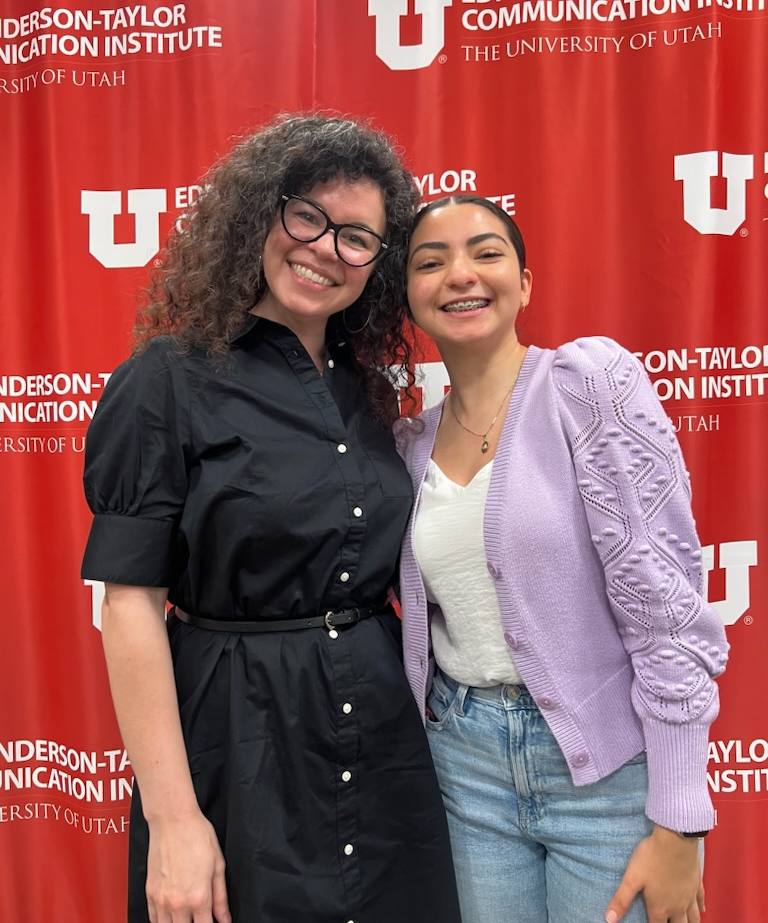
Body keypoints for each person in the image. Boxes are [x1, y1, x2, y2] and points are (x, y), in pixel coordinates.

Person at [81, 115, 461, 923]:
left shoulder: (367, 392)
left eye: (357, 238)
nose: (327, 249)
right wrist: (175, 818)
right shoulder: (167, 381)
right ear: (262, 214)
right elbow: (129, 606)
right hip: (235, 740)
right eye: (308, 218)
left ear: (377, 265)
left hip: (383, 740)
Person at [396, 194, 728, 923]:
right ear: (408, 295)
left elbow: (664, 605)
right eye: (430, 261)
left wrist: (679, 819)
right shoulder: (407, 444)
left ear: (525, 282)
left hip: (606, 777)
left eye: (486, 253)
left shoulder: (588, 385)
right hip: (464, 767)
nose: (460, 274)